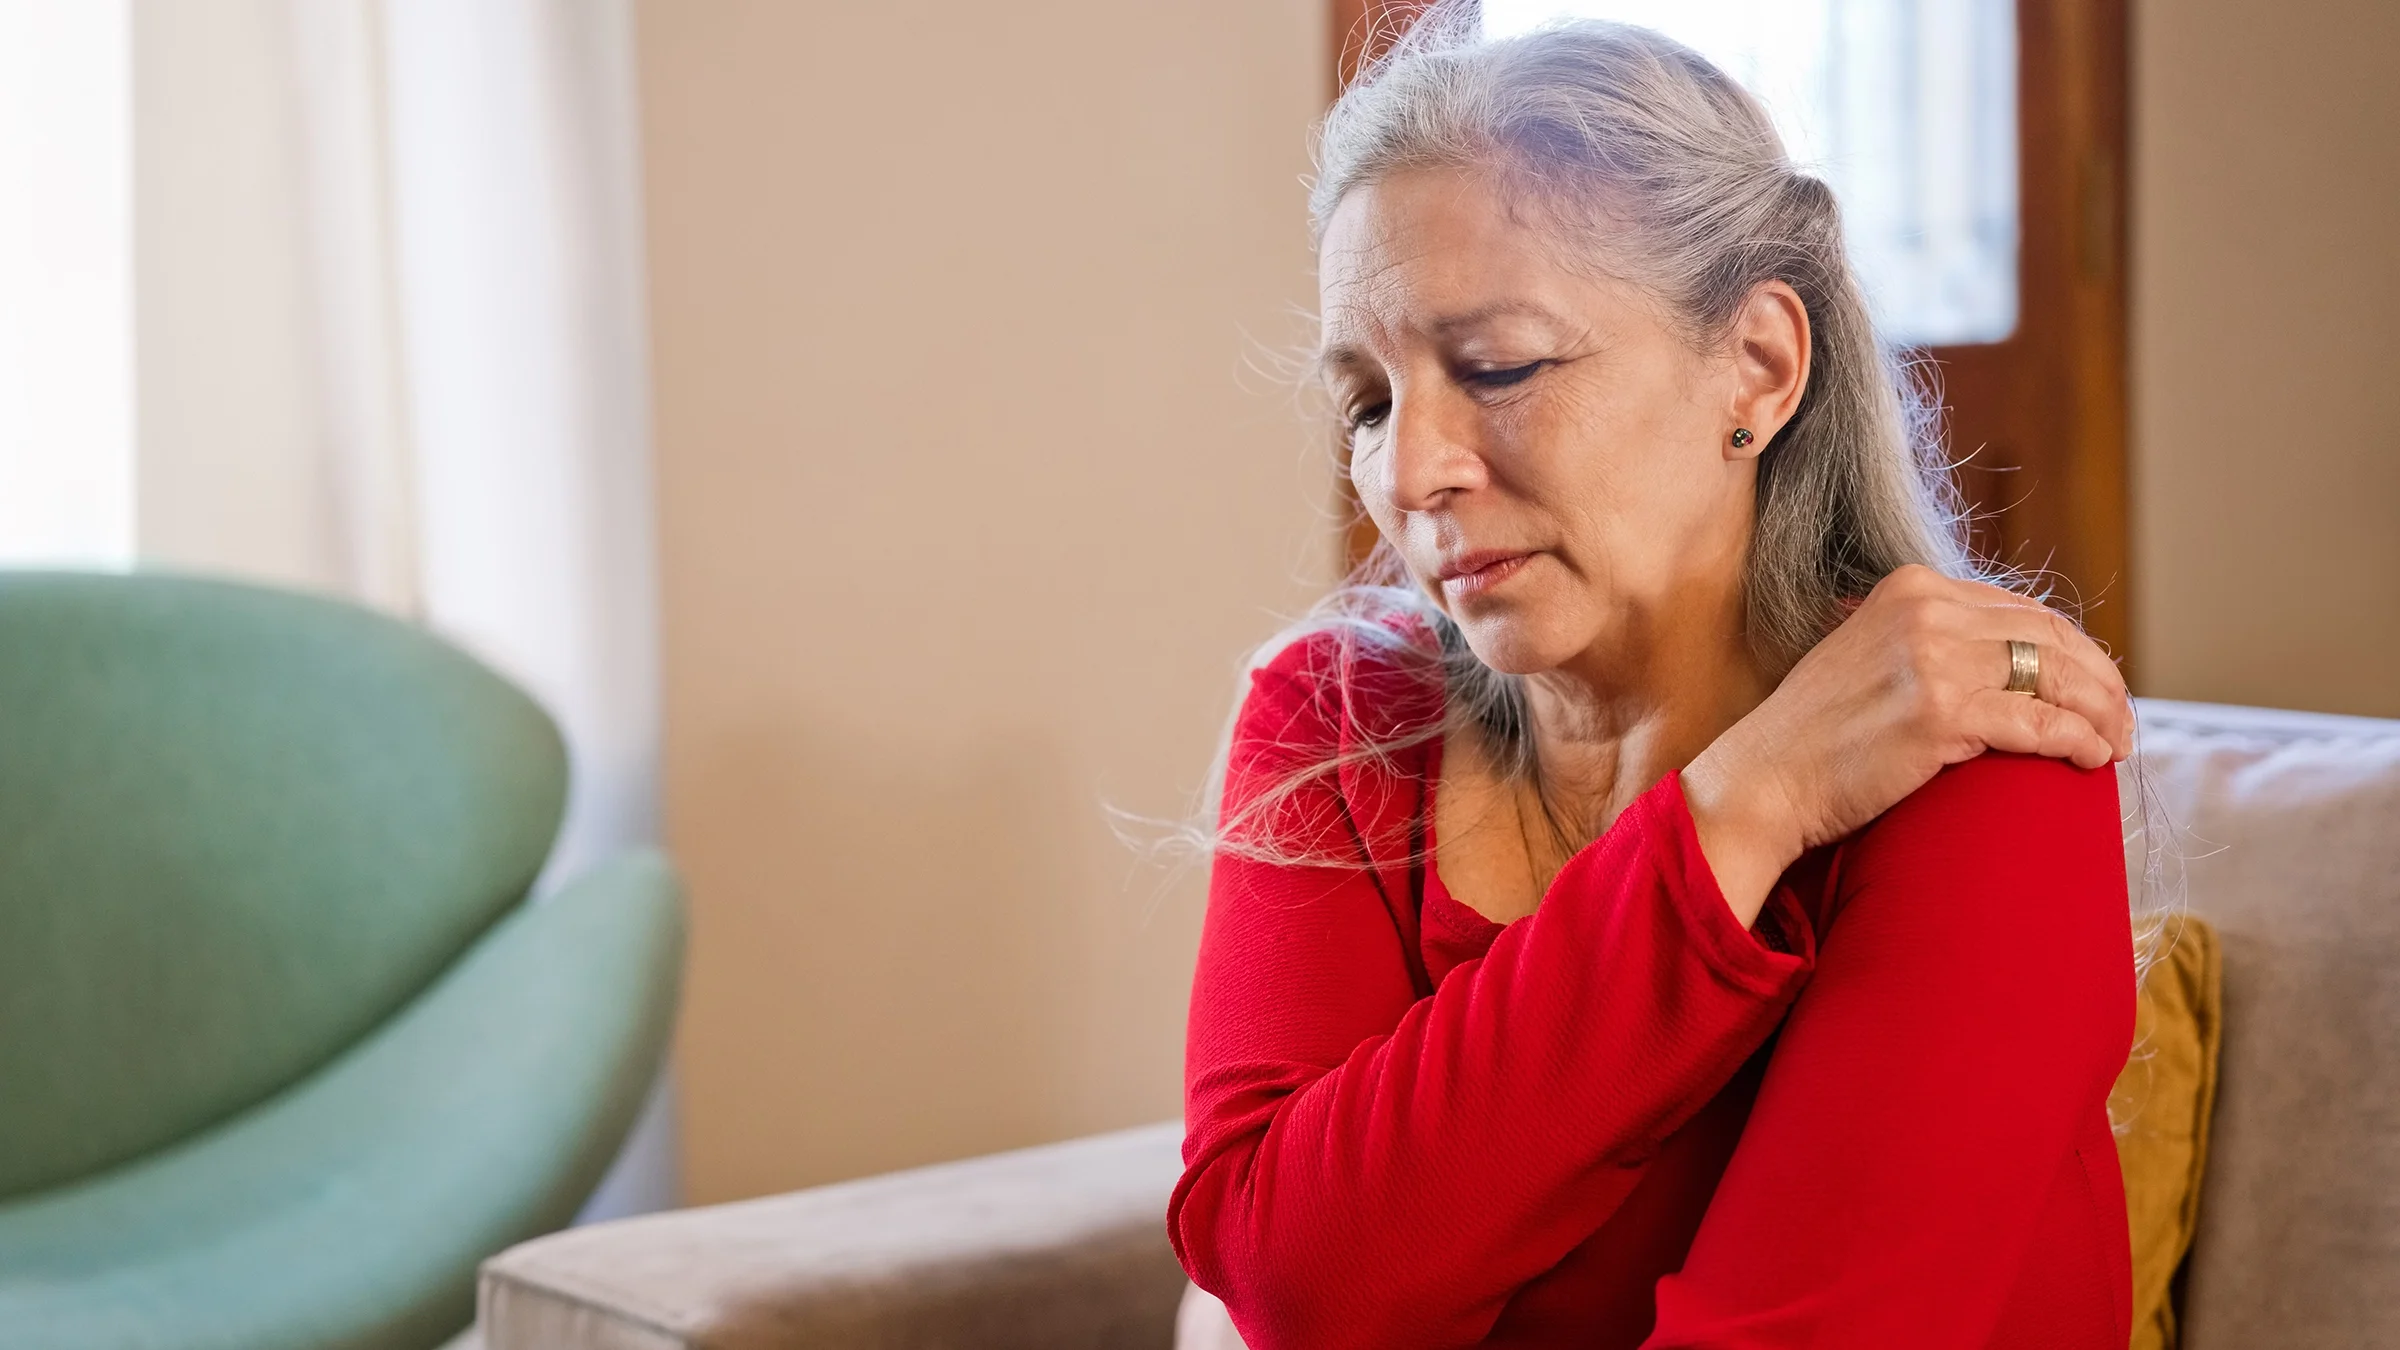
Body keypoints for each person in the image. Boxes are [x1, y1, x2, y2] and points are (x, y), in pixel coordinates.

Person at [1167, 12, 2144, 1348]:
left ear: (1758, 366)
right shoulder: (1334, 716)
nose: (1408, 472)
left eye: (1499, 365)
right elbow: (1292, 1284)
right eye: (1369, 401)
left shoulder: (1976, 756)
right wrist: (1742, 805)